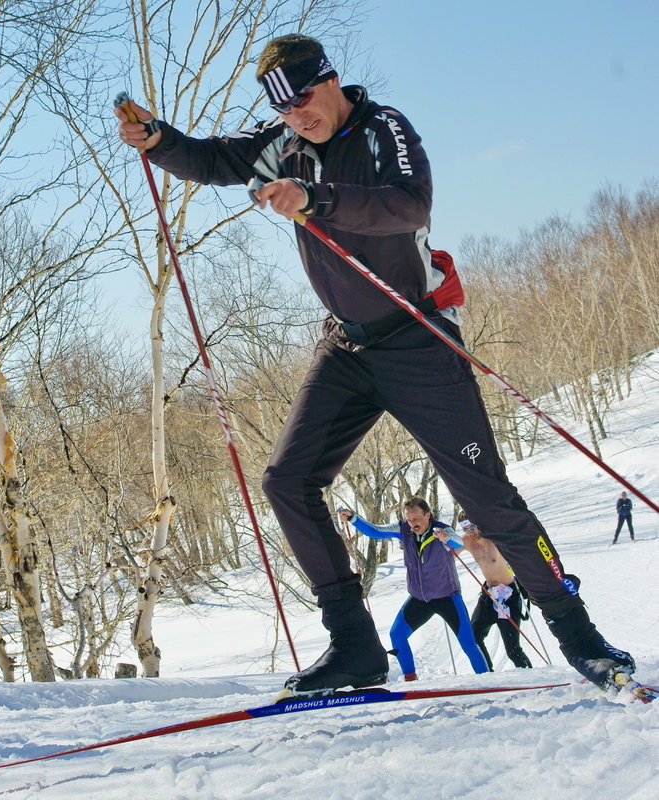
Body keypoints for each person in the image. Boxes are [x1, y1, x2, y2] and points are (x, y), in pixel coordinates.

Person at [115, 33, 635, 695]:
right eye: (281, 110)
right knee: (287, 480)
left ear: (329, 81)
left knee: (488, 500)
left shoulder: (382, 128)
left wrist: (315, 199)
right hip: (347, 348)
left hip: (417, 341)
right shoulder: (283, 141)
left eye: (303, 101)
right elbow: (215, 159)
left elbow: (408, 205)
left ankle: (582, 640)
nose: (295, 117)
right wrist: (158, 140)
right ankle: (355, 650)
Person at [339, 498, 489, 680]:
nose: (412, 524)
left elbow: (458, 543)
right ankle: (411, 679)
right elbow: (376, 531)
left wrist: (447, 537)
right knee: (397, 634)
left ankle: (488, 680)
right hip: (419, 599)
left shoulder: (441, 530)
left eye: (416, 519)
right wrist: (353, 518)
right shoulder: (404, 529)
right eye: (409, 519)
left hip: (447, 597)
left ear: (428, 515)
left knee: (468, 643)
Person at [453, 515, 532, 671]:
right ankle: (488, 673)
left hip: (508, 596)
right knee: (474, 637)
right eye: (466, 529)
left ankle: (532, 677)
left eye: (472, 527)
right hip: (489, 595)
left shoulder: (496, 538)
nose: (471, 532)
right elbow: (448, 552)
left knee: (512, 649)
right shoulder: (467, 541)